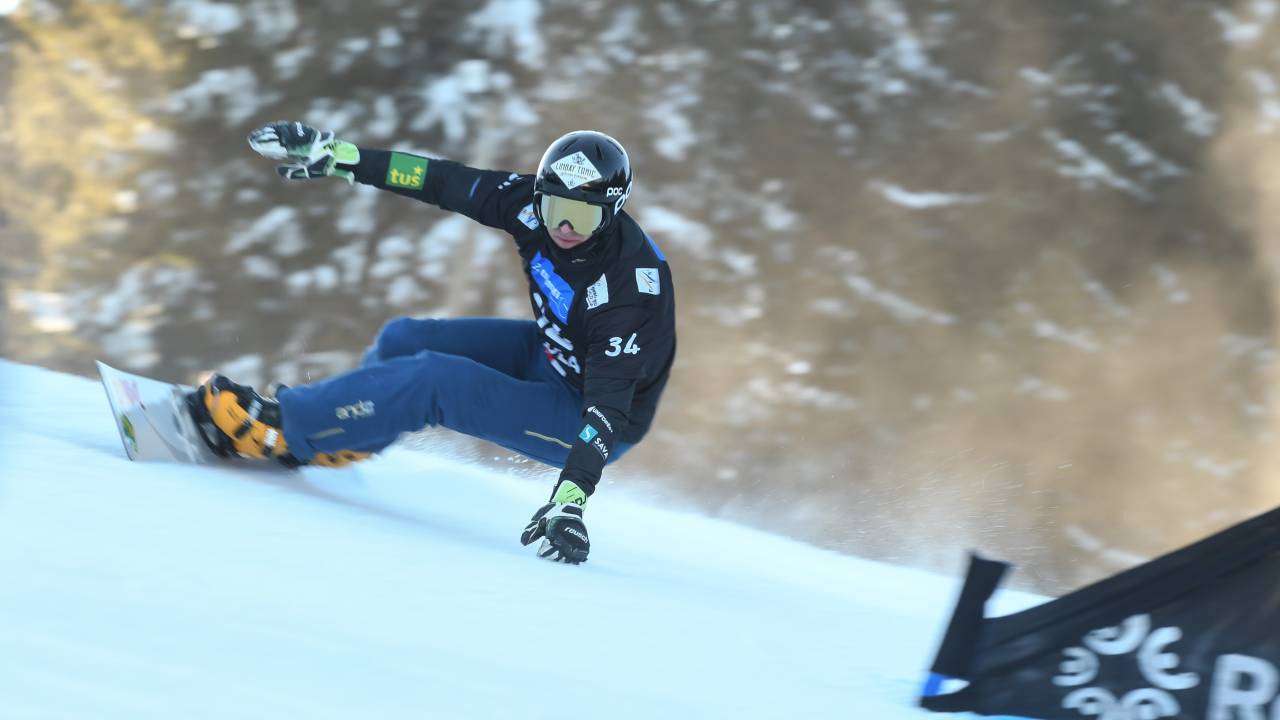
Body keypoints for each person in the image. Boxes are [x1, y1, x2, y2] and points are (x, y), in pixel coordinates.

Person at [188, 121, 677, 565]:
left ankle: (282, 429)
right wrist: (344, 157)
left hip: (586, 412)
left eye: (583, 217)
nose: (563, 228)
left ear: (613, 211)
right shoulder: (529, 207)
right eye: (556, 209)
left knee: (435, 382)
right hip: (551, 352)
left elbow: (607, 412)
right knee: (404, 339)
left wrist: (569, 501)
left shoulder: (629, 292)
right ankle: (340, 435)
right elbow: (440, 180)